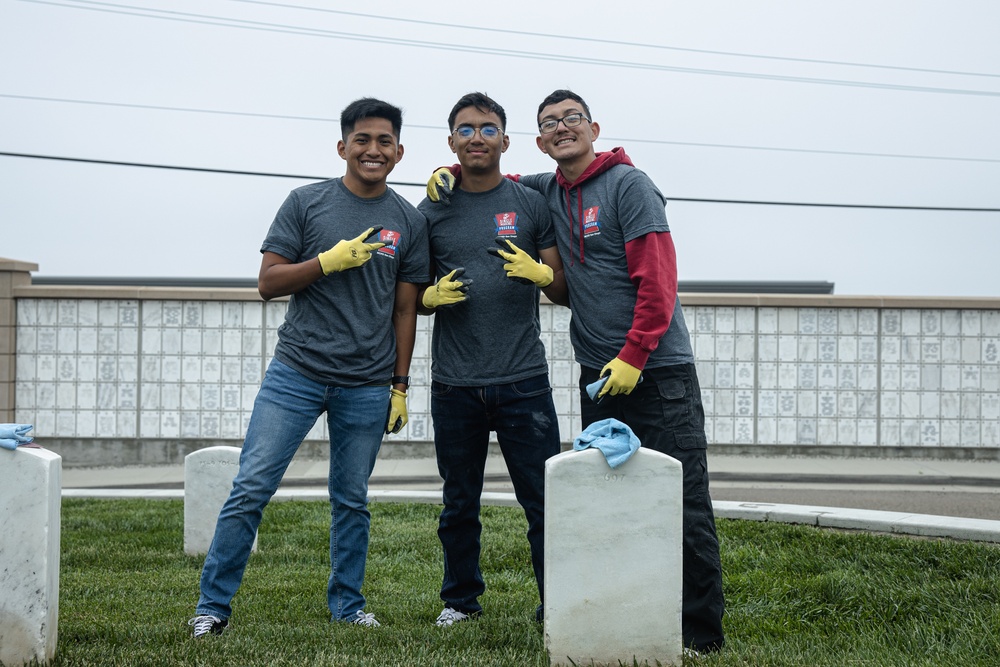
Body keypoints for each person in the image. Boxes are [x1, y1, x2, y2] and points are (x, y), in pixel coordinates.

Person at [428, 89, 725, 653]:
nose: (561, 128)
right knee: (608, 499)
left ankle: (700, 634)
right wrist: (446, 170)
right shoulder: (549, 190)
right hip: (599, 375)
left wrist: (636, 355)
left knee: (683, 501)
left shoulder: (629, 187)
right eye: (550, 124)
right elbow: (489, 175)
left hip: (657, 371)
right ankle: (624, 608)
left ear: (592, 127)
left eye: (571, 119)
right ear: (540, 142)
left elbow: (659, 282)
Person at [189, 97, 429, 637]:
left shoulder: (409, 221)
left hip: (367, 382)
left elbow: (405, 307)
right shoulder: (306, 203)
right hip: (295, 373)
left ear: (399, 151)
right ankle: (212, 607)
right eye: (362, 140)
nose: (373, 150)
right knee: (250, 486)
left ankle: (348, 605)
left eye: (384, 141)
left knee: (352, 499)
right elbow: (268, 283)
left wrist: (400, 385)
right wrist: (326, 262)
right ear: (342, 146)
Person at [417, 92, 567, 627]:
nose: (476, 137)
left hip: (524, 381)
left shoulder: (530, 202)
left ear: (506, 140)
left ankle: (558, 603)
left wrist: (544, 275)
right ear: (451, 141)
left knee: (545, 502)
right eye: (465, 129)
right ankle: (460, 602)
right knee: (459, 503)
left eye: (487, 129)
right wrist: (425, 299)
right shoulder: (432, 206)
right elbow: (402, 290)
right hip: (454, 385)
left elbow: (563, 288)